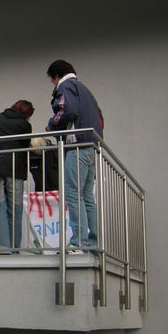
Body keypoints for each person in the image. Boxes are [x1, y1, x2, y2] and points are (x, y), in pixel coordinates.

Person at [46, 60, 104, 252]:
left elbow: (66, 109)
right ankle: (93, 244)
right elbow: (101, 119)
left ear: (56, 76)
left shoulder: (66, 85)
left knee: (72, 193)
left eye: (52, 81)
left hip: (77, 146)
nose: (54, 84)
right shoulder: (85, 91)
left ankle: (79, 242)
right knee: (87, 195)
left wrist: (52, 125)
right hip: (91, 146)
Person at [0, 100, 34, 251]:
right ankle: (14, 248)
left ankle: (3, 248)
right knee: (15, 209)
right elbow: (24, 146)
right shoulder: (24, 125)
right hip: (14, 169)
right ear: (27, 115)